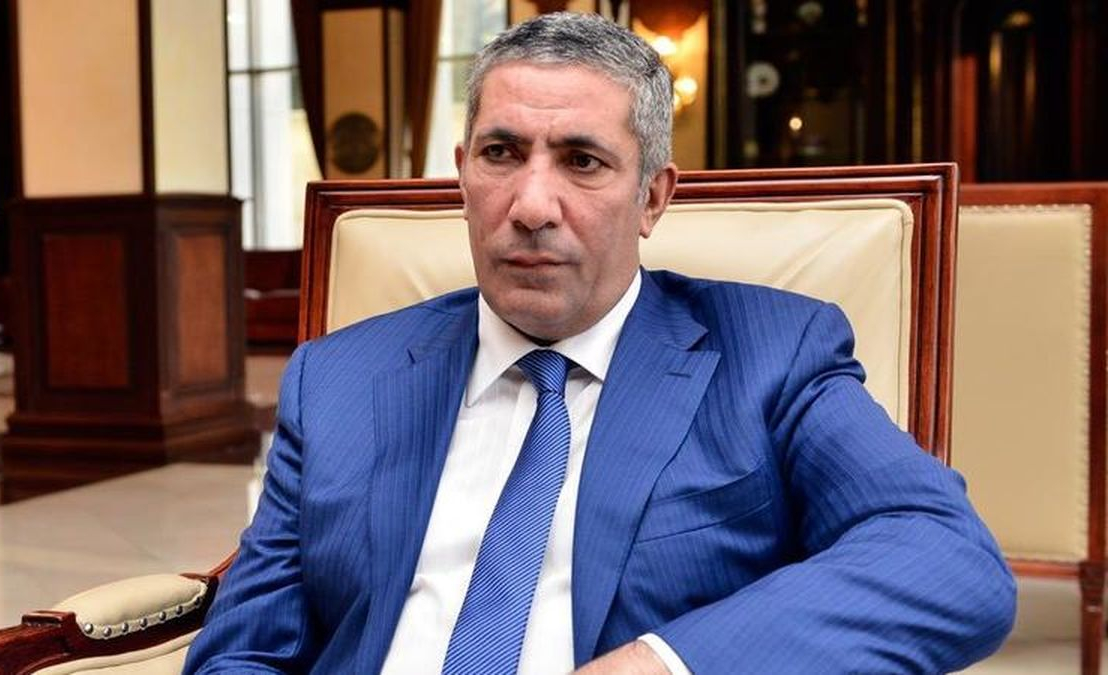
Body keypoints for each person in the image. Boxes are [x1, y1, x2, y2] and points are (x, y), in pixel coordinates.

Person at [185, 12, 1014, 674]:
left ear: (652, 197)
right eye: (501, 153)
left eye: (581, 161)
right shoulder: (336, 377)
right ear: (462, 174)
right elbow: (242, 650)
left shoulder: (772, 354)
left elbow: (946, 558)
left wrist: (661, 662)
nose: (531, 205)